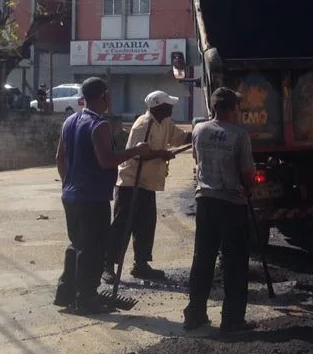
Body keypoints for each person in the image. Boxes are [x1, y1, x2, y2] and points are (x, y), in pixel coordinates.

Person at [54, 76, 153, 314]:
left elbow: (60, 158)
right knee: (93, 248)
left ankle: (66, 292)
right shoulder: (99, 125)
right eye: (109, 94)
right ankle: (86, 298)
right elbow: (106, 160)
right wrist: (135, 151)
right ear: (103, 96)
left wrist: (68, 182)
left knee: (76, 244)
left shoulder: (70, 121)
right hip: (93, 197)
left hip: (71, 195)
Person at [184, 86, 257, 335]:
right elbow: (247, 173)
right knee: (235, 262)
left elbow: (197, 159)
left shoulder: (199, 130)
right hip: (232, 203)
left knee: (203, 258)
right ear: (233, 109)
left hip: (205, 200)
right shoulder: (239, 135)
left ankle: (194, 314)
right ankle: (232, 319)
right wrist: (251, 186)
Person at [105, 91, 188, 283]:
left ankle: (141, 264)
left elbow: (180, 138)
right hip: (131, 182)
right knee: (122, 226)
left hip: (148, 183)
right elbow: (137, 154)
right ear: (158, 107)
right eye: (168, 105)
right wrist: (162, 154)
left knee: (146, 225)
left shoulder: (165, 123)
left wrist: (200, 133)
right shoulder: (143, 124)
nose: (172, 107)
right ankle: (107, 264)